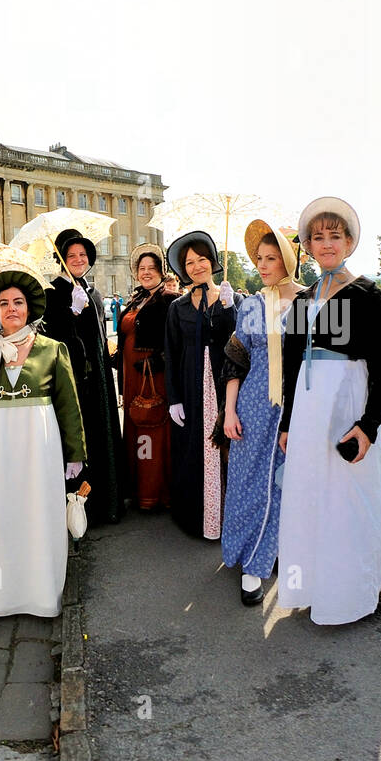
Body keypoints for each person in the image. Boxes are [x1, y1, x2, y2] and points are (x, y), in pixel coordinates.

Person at [272, 200, 381, 624]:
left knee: (347, 500)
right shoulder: (302, 299)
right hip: (308, 413)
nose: (326, 244)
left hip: (347, 406)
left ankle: (348, 594)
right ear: (307, 246)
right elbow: (293, 367)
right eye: (318, 237)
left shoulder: (369, 296)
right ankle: (314, 585)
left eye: (335, 236)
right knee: (311, 497)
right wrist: (289, 423)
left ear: (348, 242)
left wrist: (367, 427)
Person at [0, 271, 87, 619]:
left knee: (37, 512)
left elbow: (69, 406)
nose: (11, 309)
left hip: (39, 444)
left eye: (18, 302)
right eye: (4, 304)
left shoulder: (52, 349)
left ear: (28, 309)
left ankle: (40, 596)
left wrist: (76, 455)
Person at [220, 220, 300, 606]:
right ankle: (250, 561)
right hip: (252, 405)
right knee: (246, 482)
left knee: (287, 484)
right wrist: (229, 411)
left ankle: (277, 554)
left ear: (288, 260)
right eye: (259, 259)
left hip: (296, 408)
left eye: (271, 258)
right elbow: (236, 362)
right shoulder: (251, 305)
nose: (263, 265)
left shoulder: (309, 303)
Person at [40, 229, 127, 528]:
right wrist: (72, 313)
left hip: (100, 380)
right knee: (83, 440)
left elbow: (101, 338)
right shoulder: (51, 294)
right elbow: (53, 342)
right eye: (71, 255)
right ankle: (80, 508)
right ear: (61, 259)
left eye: (82, 255)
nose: (78, 260)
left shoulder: (94, 291)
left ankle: (109, 502)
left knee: (103, 437)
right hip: (75, 382)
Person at [161, 230, 235, 542]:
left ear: (212, 262)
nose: (196, 266)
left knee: (225, 451)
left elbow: (238, 348)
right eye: (189, 262)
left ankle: (227, 520)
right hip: (190, 389)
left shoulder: (232, 299)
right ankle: (195, 519)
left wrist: (231, 310)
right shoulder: (177, 307)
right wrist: (174, 397)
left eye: (201, 259)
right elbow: (171, 353)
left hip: (222, 388)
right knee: (192, 451)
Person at [115, 245, 173, 513]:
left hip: (151, 377)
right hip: (131, 377)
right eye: (142, 269)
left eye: (151, 268)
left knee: (151, 428)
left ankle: (155, 492)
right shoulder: (137, 298)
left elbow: (174, 343)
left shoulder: (168, 299)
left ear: (161, 271)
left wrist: (156, 360)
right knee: (136, 428)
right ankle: (138, 489)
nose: (146, 273)